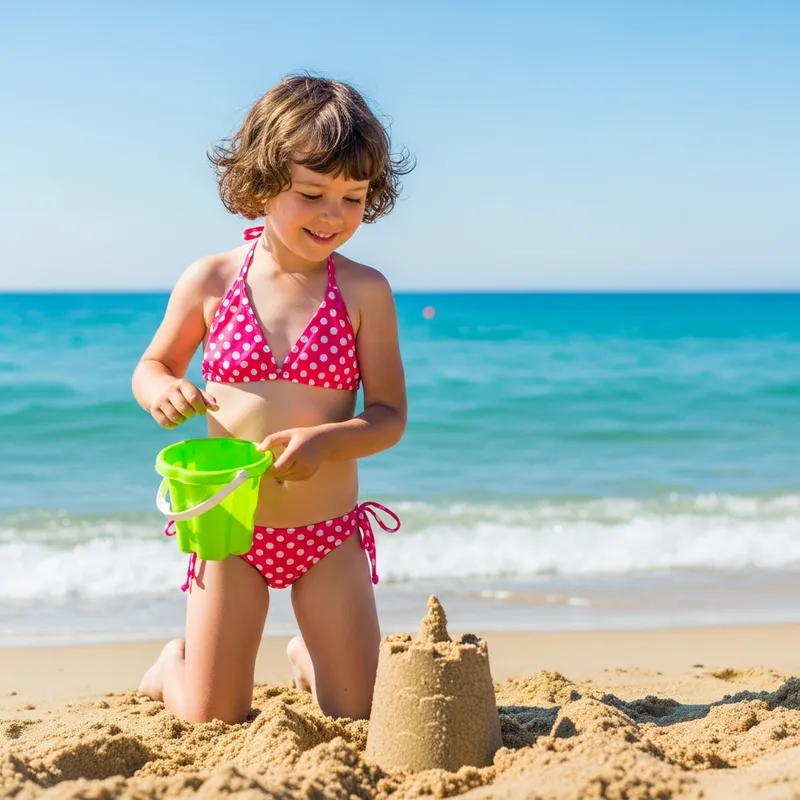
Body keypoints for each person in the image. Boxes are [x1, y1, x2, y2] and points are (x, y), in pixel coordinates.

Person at [131, 74, 412, 724]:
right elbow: (152, 366)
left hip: (327, 534)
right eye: (312, 193)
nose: (333, 215)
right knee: (209, 719)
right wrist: (164, 391)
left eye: (353, 197)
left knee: (363, 719)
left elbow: (389, 415)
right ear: (261, 183)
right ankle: (176, 667)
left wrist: (328, 441)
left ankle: (310, 659)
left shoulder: (365, 293)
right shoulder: (212, 280)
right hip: (228, 529)